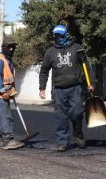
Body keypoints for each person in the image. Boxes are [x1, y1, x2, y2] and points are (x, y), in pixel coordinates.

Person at [39, 24, 91, 152]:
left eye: (60, 36)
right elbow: (44, 70)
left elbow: (87, 66)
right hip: (58, 89)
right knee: (61, 116)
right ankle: (62, 142)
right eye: (56, 36)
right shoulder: (50, 52)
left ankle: (78, 135)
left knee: (77, 113)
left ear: (66, 35)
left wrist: (91, 82)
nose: (58, 38)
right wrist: (42, 87)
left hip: (75, 88)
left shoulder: (77, 48)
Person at [0, 36, 25, 150]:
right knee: (5, 117)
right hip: (0, 94)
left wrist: (11, 91)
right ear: (4, 47)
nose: (12, 49)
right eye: (9, 47)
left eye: (13, 47)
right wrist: (3, 91)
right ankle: (8, 140)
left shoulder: (6, 59)